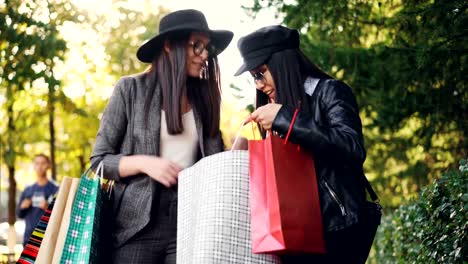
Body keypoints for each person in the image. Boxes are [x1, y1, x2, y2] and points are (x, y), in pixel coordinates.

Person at [90, 9, 233, 263]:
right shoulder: (130, 90)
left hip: (190, 223)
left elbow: (215, 166)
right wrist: (146, 163)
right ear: (169, 46)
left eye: (207, 49)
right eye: (196, 46)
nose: (204, 56)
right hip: (135, 228)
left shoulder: (205, 101)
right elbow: (99, 161)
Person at [235, 25, 381, 264]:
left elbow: (351, 148)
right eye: (254, 77)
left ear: (282, 63)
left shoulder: (330, 92)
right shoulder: (267, 115)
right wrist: (242, 142)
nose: (258, 84)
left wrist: (286, 120)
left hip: (337, 230)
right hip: (288, 235)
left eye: (261, 72)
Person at [16, 154, 58, 246]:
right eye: (37, 163)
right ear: (34, 166)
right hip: (29, 239)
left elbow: (60, 216)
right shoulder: (28, 190)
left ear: (48, 165)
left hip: (47, 239)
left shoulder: (55, 189)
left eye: (43, 163)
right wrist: (23, 207)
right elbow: (19, 214)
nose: (40, 167)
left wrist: (48, 207)